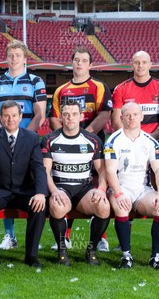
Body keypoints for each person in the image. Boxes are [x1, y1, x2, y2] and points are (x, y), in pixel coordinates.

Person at [48, 45, 113, 252]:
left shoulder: (99, 86)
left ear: (90, 64)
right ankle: (65, 236)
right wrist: (66, 137)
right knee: (68, 184)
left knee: (93, 188)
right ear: (72, 62)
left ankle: (100, 238)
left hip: (92, 146)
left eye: (84, 61)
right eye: (76, 60)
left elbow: (104, 115)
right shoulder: (61, 90)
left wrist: (85, 137)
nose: (80, 64)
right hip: (66, 147)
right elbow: (53, 118)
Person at [0, 40, 47, 251]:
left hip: (28, 141)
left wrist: (23, 138)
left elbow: (40, 113)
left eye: (18, 55)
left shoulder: (35, 81)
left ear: (25, 58)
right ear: (7, 57)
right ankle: (9, 235)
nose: (14, 59)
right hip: (3, 140)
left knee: (29, 182)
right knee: (3, 182)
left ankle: (36, 238)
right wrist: (1, 135)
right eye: (11, 55)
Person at [0, 100, 47, 268]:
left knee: (40, 206)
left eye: (14, 115)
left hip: (24, 190)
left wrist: (40, 193)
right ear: (0, 118)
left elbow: (38, 167)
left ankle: (31, 256)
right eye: (6, 116)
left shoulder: (31, 138)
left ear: (21, 117)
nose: (10, 119)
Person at [41, 101, 110, 266]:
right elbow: (45, 171)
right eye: (66, 114)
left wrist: (101, 189)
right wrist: (54, 191)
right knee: (57, 207)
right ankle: (62, 249)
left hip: (83, 189)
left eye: (73, 114)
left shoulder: (92, 140)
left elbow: (102, 171)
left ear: (81, 116)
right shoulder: (49, 139)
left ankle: (91, 249)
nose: (69, 117)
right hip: (60, 187)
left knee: (104, 206)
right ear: (61, 117)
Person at [104, 102, 159, 270]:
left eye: (135, 114)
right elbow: (110, 171)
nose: (131, 118)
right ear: (121, 118)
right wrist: (118, 193)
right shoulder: (113, 141)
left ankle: (155, 257)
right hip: (121, 187)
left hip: (142, 190)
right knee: (121, 206)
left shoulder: (151, 142)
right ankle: (126, 255)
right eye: (127, 115)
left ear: (142, 116)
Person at [111, 51, 159, 139]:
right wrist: (133, 138)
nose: (140, 65)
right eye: (137, 62)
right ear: (132, 65)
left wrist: (151, 138)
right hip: (129, 141)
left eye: (144, 62)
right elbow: (116, 121)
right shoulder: (120, 89)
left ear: (150, 64)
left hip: (154, 140)